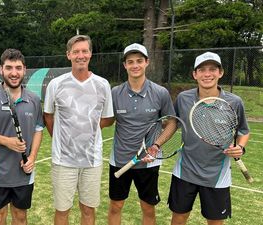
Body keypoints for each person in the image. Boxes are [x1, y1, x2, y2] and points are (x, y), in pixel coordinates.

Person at [168, 52, 250, 225]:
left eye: (212, 69)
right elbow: (173, 123)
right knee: (178, 219)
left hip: (217, 176)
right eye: (202, 70)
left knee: (214, 222)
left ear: (220, 72)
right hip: (185, 171)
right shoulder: (183, 99)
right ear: (194, 74)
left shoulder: (234, 102)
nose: (207, 74)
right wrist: (156, 144)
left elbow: (243, 130)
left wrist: (240, 147)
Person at [43, 34, 114, 225]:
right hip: (63, 160)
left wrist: (86, 128)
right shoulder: (55, 84)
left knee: (88, 209)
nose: (80, 55)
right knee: (62, 210)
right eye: (76, 52)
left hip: (92, 160)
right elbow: (48, 116)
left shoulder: (103, 84)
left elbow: (108, 118)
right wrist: (60, 137)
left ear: (90, 54)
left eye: (84, 51)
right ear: (68, 55)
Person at [107, 43, 176, 225]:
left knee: (147, 207)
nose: (135, 65)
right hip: (120, 160)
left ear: (147, 63)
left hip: (148, 162)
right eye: (130, 62)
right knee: (116, 206)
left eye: (139, 61)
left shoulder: (160, 92)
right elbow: (106, 120)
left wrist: (156, 146)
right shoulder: (115, 93)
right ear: (125, 65)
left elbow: (171, 123)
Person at [0, 48, 44, 225]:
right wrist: (7, 142)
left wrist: (33, 157)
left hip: (23, 172)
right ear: (1, 70)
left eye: (18, 68)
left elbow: (38, 129)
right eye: (9, 67)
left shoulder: (34, 100)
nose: (14, 73)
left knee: (20, 216)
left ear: (24, 70)